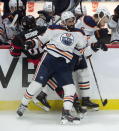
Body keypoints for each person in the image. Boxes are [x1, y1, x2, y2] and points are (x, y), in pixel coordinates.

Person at [16, 11, 87, 124]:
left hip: (63, 64)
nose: (71, 23)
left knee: (70, 89)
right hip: (48, 61)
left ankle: (66, 114)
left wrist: (92, 46)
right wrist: (31, 43)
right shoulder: (54, 28)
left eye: (72, 20)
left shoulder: (79, 33)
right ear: (63, 22)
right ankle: (23, 105)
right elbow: (41, 39)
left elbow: (81, 48)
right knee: (36, 85)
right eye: (68, 21)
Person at [73, 6, 110, 110]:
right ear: (100, 15)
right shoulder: (88, 20)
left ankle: (85, 100)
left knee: (84, 73)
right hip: (71, 53)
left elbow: (90, 44)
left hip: (78, 53)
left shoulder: (92, 27)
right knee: (67, 79)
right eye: (104, 21)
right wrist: (98, 37)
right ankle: (73, 101)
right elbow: (89, 32)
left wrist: (98, 45)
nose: (104, 24)